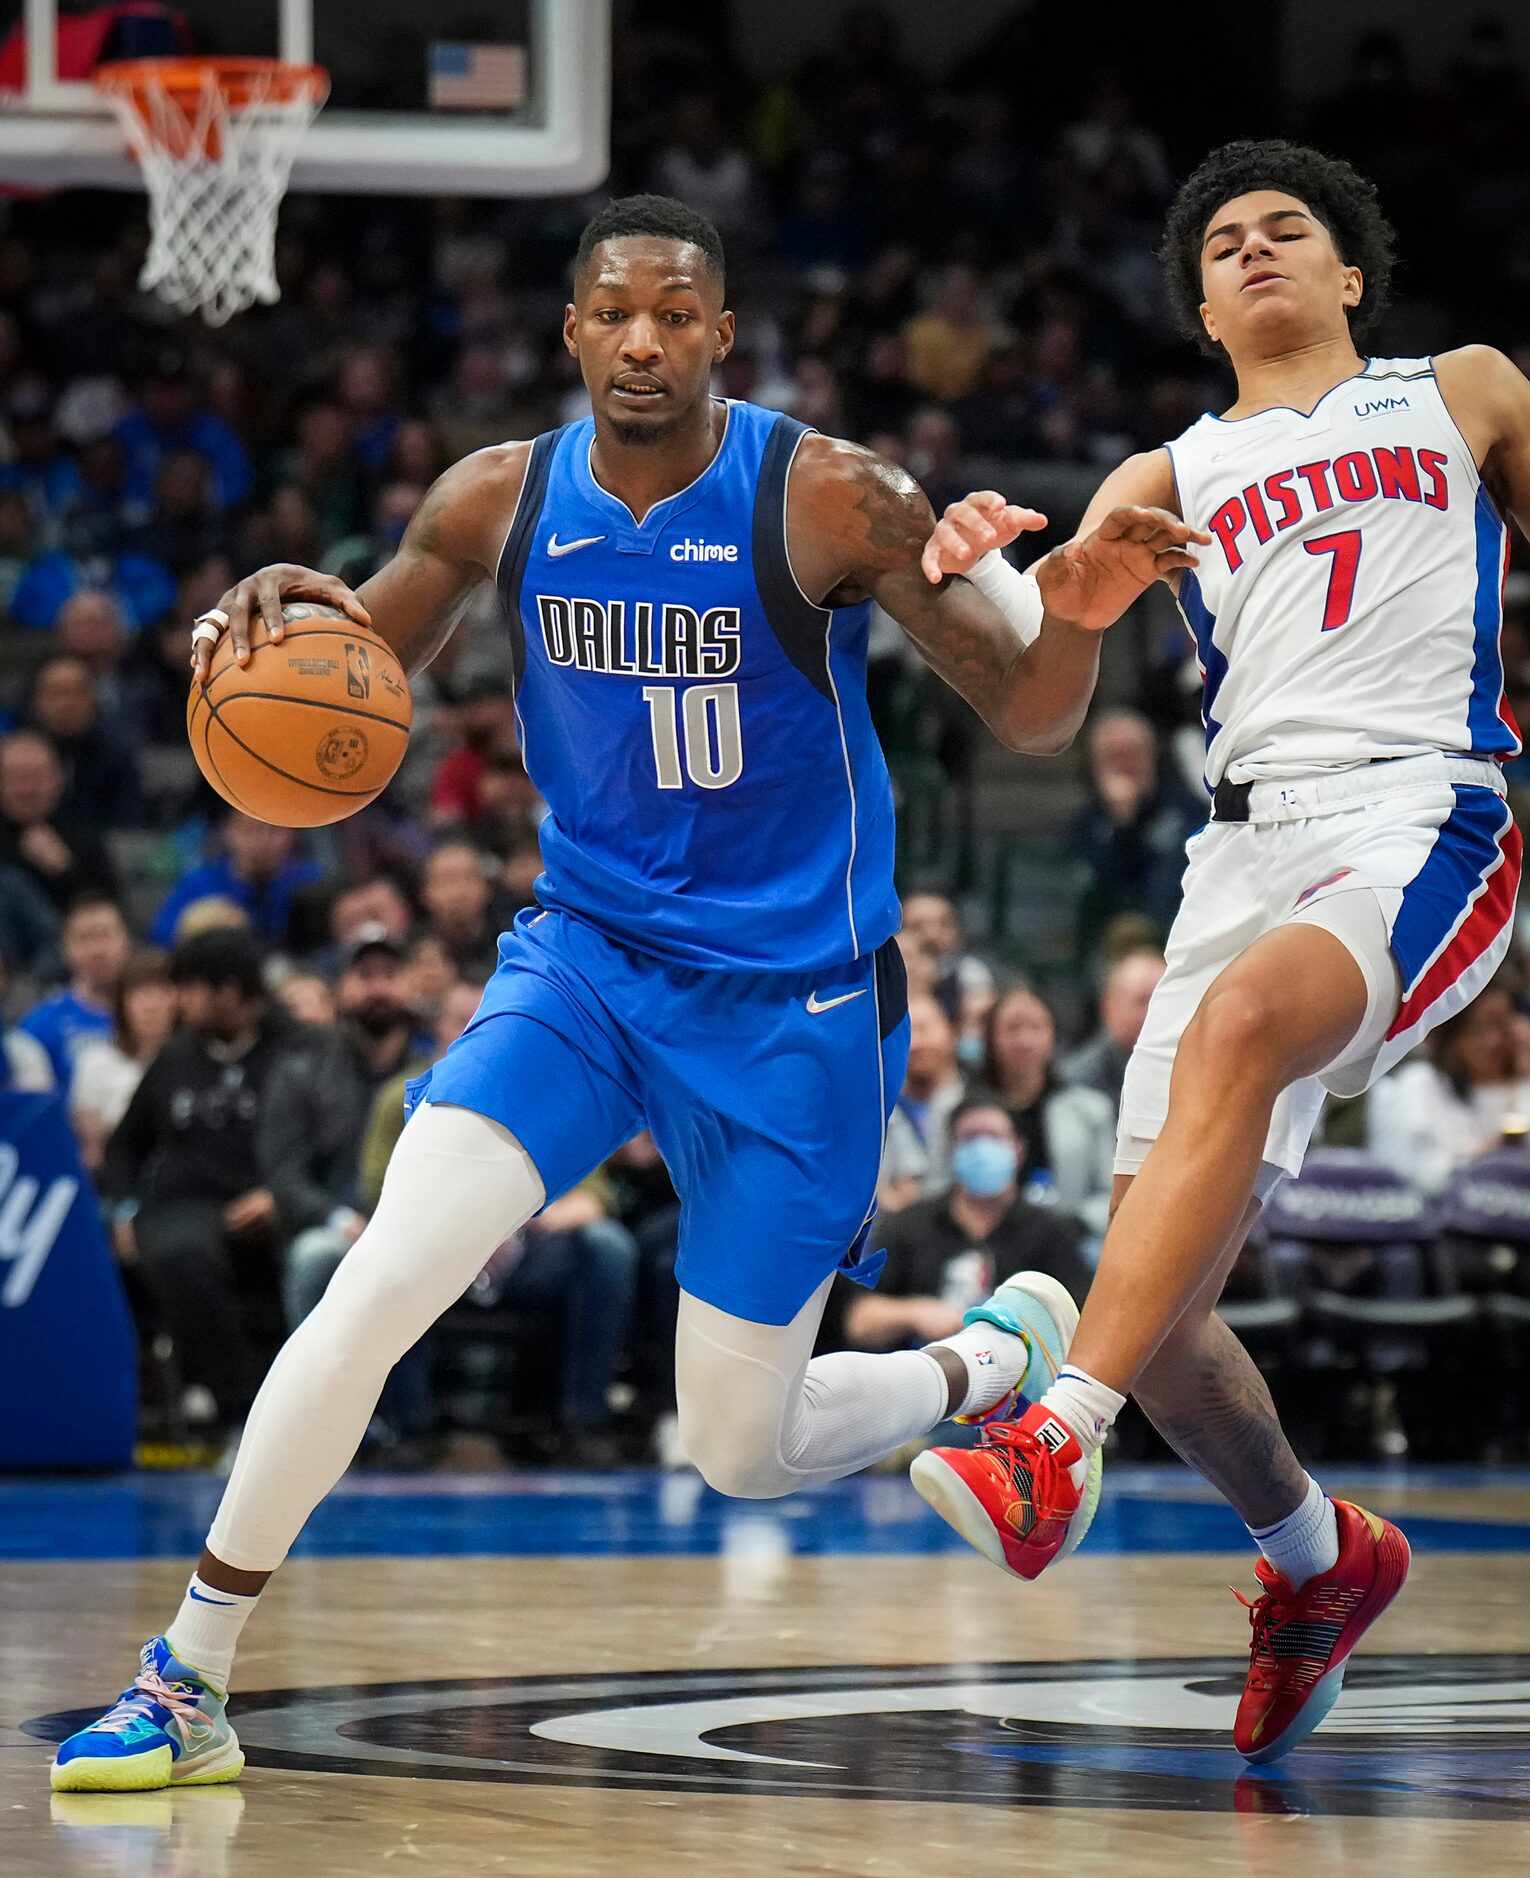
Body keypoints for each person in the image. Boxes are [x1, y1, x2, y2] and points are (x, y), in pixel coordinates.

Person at [55, 192, 1202, 1792]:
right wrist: (261, 609)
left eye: (678, 312)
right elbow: (340, 674)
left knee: (738, 1449)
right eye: (616, 312)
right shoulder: (494, 500)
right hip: (582, 964)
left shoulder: (826, 498)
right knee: (383, 1276)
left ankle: (989, 1358)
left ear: (723, 335)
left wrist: (1070, 608)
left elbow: (1025, 715)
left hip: (795, 1010)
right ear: (574, 332)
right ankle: (190, 1675)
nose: (646, 338)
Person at [914, 138, 1530, 1763]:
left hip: (1420, 811)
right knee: (1164, 1308)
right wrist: (1067, 591)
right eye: (1224, 242)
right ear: (1198, 304)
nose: (1255, 247)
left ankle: (1054, 1435)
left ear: (1346, 275)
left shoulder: (1462, 391)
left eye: (1289, 229)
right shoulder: (1160, 472)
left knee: (1251, 1026)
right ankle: (1322, 1561)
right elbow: (1039, 710)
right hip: (1238, 846)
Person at [98, 930, 312, 1442]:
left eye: (190, 988)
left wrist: (280, 1195)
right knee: (178, 1255)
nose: (179, 1001)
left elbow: (329, 1142)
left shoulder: (297, 1054)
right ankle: (242, 1413)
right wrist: (123, 1209)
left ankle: (311, 1417)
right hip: (187, 1207)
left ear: (229, 992)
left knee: (314, 1259)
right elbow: (124, 1147)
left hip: (277, 1201)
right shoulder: (173, 1059)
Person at [846, 1096, 1093, 1355]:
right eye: (971, 1137)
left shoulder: (1051, 1231)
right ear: (953, 1151)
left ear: (1019, 1150)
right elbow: (859, 1321)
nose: (983, 1147)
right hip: (926, 1374)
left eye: (995, 1137)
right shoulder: (909, 1225)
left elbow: (1080, 1325)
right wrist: (914, 1312)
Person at [1367, 978, 1530, 1193]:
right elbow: (1412, 1175)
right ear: (1451, 1034)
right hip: (1443, 1220)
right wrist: (1485, 1162)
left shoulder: (1523, 1084)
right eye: (1479, 1028)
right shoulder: (1419, 1085)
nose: (1493, 1041)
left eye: (1502, 1026)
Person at [980, 983, 1116, 1234]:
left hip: (1070, 1239)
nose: (1024, 1041)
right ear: (990, 1036)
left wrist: (1072, 1226)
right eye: (1012, 1028)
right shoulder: (962, 1110)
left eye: (1035, 1027)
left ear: (1053, 1034)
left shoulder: (1092, 1110)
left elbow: (1111, 1194)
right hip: (985, 1237)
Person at [1069, 708, 1204, 955]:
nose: (1124, 766)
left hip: (1174, 938)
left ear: (1152, 755)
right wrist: (1122, 823)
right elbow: (1095, 893)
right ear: (1094, 765)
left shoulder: (1187, 810)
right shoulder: (1086, 824)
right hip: (1106, 947)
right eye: (1112, 756)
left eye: (1132, 753)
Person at [69, 948, 177, 1170]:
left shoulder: (195, 1062)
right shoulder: (96, 1063)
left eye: (160, 991)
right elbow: (92, 1151)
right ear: (121, 1004)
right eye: (139, 994)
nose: (151, 1005)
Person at [150, 812, 322, 949]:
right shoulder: (200, 883)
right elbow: (161, 937)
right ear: (229, 832)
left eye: (274, 830)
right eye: (250, 830)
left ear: (291, 835)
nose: (262, 842)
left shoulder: (310, 880)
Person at [0, 730, 118, 913]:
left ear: (58, 780)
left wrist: (66, 871)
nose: (27, 790)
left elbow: (108, 914)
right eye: (16, 778)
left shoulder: (83, 840)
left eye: (37, 777)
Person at [19, 893, 129, 1087]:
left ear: (125, 940)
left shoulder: (153, 1012)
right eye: (84, 939)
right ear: (66, 949)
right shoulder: (41, 1025)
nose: (97, 950)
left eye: (105, 935)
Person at [1059, 946, 1168, 1109]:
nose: (1154, 1012)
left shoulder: (1197, 1068)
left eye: (1164, 1001)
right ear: (1108, 1007)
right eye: (1142, 1001)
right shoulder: (1074, 1082)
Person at [899, 892, 995, 1027]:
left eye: (942, 924)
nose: (931, 934)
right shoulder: (881, 973)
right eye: (918, 926)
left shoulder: (969, 973)